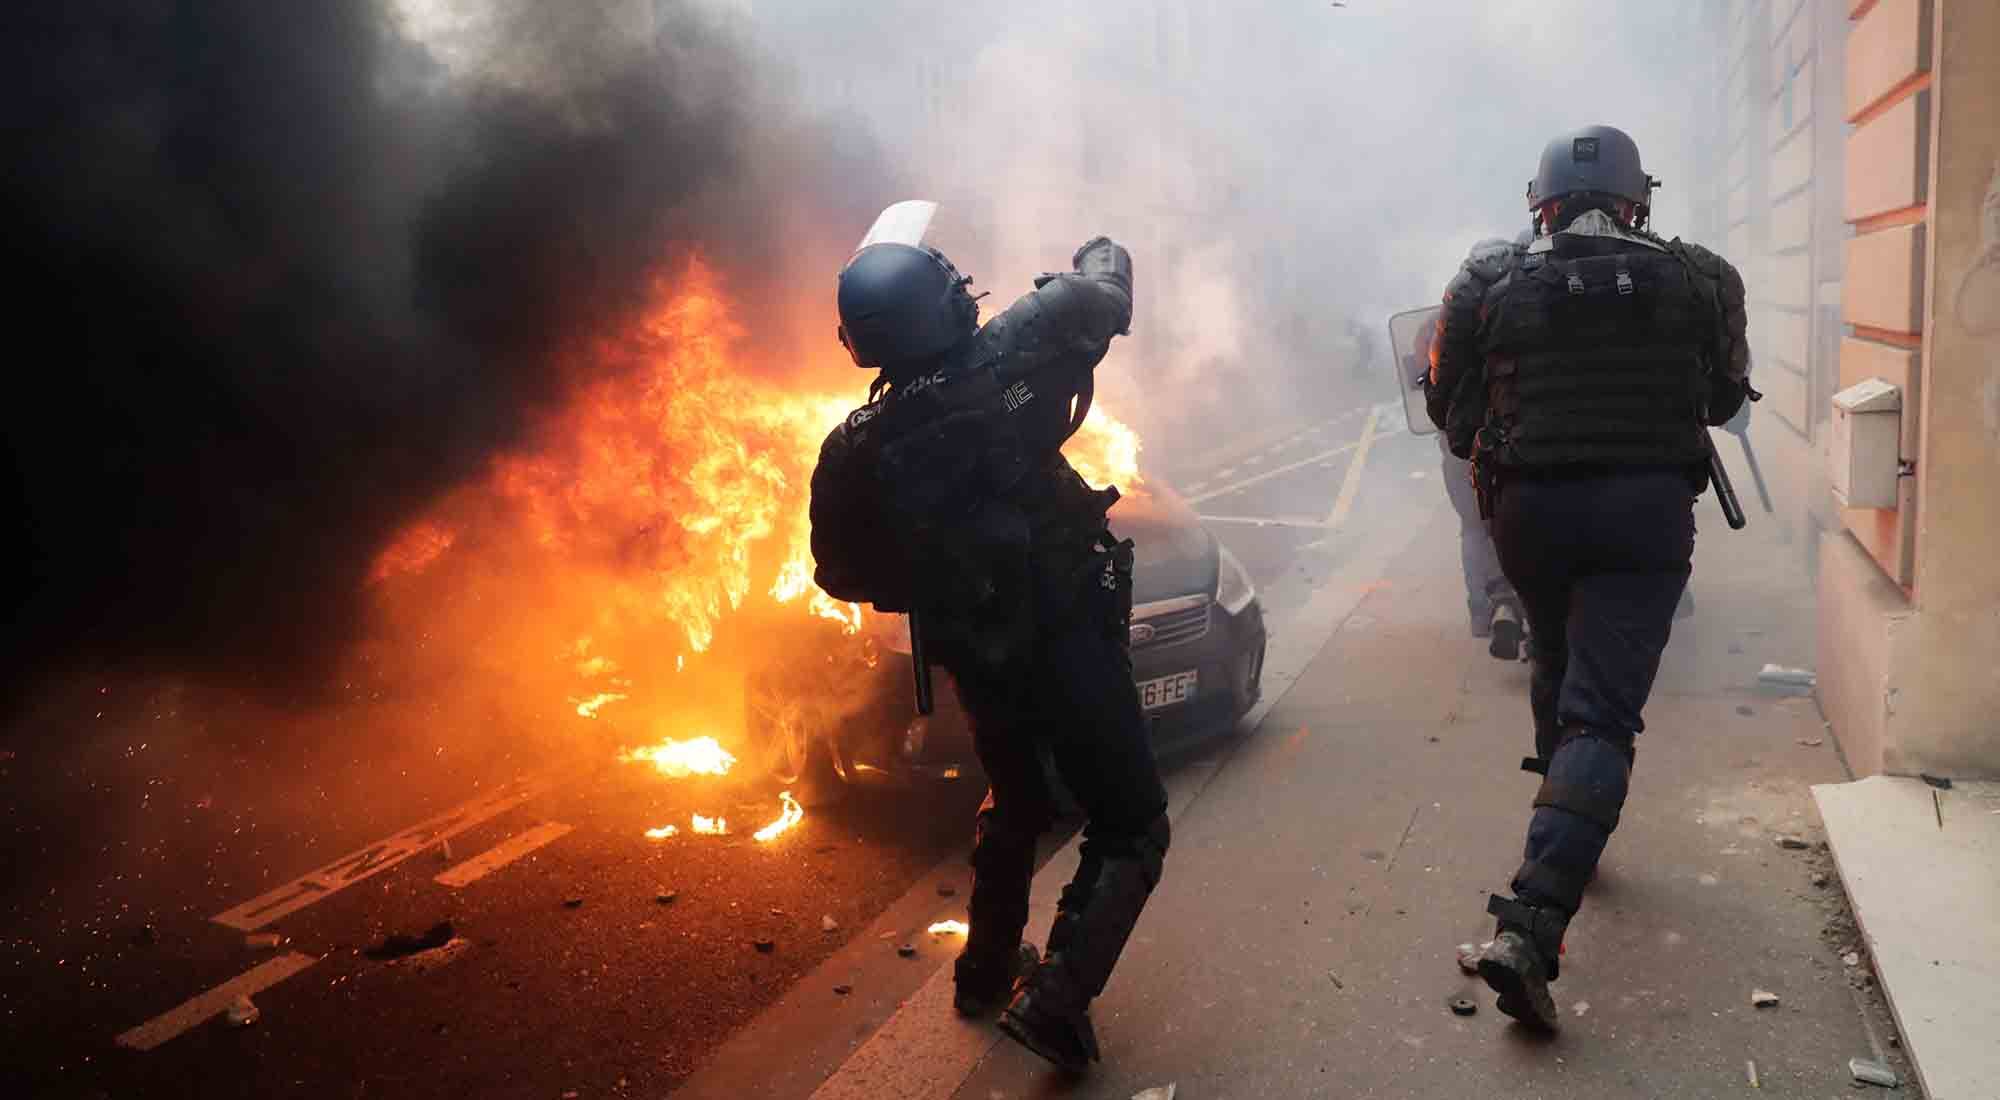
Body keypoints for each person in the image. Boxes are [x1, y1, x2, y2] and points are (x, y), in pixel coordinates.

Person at [808, 207, 1167, 1075]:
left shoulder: (853, 446)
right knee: (1131, 825)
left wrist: (939, 584)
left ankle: (984, 971)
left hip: (977, 650)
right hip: (1070, 632)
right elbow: (1106, 285)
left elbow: (839, 573)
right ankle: (1054, 1002)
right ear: (945, 304)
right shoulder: (1019, 344)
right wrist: (1089, 249)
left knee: (1017, 798)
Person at [1427, 127, 1753, 1030]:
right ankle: (1533, 924)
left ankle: (1563, 817)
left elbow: (1448, 410)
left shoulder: (1486, 279)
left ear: (1541, 201)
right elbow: (1724, 400)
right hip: (1645, 517)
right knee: (1600, 716)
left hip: (1528, 517)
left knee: (1555, 658)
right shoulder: (1701, 277)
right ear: (1637, 198)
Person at [1408, 249, 1528, 660]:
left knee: (1476, 529)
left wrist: (1451, 433)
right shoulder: (1528, 301)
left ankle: (1486, 610)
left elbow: (1431, 391)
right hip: (1521, 440)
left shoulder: (1439, 322)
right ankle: (1525, 603)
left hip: (1463, 448)